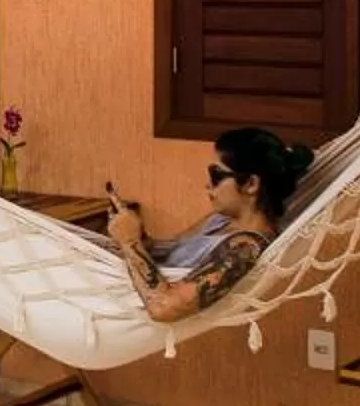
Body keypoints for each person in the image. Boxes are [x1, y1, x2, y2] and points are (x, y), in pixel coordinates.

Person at [105, 127, 315, 324]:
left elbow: (163, 308)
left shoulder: (245, 248)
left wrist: (130, 241)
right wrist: (135, 232)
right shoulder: (221, 219)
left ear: (251, 184)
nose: (207, 184)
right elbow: (170, 249)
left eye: (216, 176)